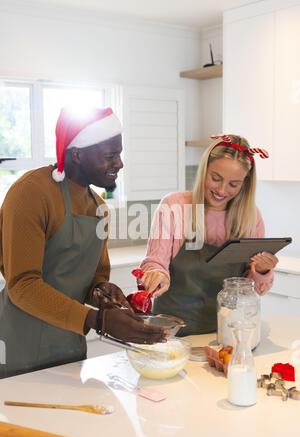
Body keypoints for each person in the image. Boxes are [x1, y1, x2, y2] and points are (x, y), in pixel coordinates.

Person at [0, 106, 165, 379]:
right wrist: (97, 320)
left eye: (119, 154)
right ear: (77, 154)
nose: (120, 163)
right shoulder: (31, 193)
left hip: (69, 348)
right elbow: (23, 285)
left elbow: (93, 278)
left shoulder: (99, 207)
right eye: (111, 156)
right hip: (21, 348)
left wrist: (103, 293)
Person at [139, 134, 278, 336]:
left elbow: (252, 288)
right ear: (204, 170)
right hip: (170, 331)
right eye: (215, 178)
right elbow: (155, 261)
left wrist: (262, 271)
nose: (222, 190)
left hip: (227, 331)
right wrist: (156, 275)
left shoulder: (251, 217)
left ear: (245, 184)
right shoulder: (175, 206)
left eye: (233, 184)